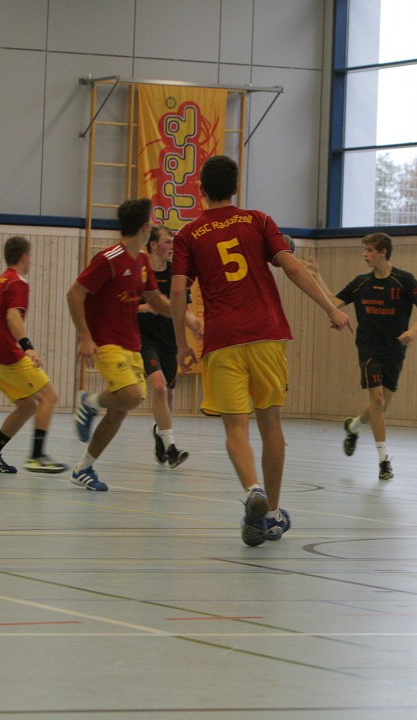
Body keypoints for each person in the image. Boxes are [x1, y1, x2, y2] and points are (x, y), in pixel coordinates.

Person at [169, 155, 350, 546]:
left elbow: (177, 291)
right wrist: (331, 308)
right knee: (272, 426)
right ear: (236, 187)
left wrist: (182, 344)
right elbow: (294, 268)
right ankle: (271, 514)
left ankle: (253, 489)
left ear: (201, 188)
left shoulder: (189, 234)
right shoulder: (257, 220)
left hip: (222, 341)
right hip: (267, 335)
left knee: (236, 427)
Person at [305, 234, 417, 481]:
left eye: (370, 250)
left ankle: (353, 426)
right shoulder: (361, 283)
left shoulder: (403, 280)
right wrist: (316, 276)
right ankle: (384, 461)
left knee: (380, 405)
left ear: (383, 252)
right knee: (377, 400)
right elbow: (333, 302)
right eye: (364, 250)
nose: (365, 254)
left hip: (395, 350)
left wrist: (414, 330)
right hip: (369, 349)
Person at [66, 198, 172, 491]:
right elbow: (75, 293)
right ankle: (89, 401)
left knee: (120, 411)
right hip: (106, 342)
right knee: (132, 396)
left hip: (131, 344)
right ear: (144, 227)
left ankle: (83, 468)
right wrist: (85, 336)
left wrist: (186, 317)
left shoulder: (141, 262)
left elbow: (155, 301)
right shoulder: (108, 259)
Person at [0, 236, 68, 475]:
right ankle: (37, 456)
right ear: (25, 257)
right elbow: (12, 316)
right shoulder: (18, 282)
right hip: (6, 352)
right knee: (49, 396)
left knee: (27, 405)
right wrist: (27, 346)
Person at [138, 225, 201, 468]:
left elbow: (183, 309)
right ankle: (172, 448)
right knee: (159, 387)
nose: (171, 247)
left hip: (169, 339)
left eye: (173, 242)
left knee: (169, 394)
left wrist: (194, 324)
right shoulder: (141, 272)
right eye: (166, 242)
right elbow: (120, 307)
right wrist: (143, 308)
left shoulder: (176, 274)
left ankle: (160, 434)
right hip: (144, 338)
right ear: (153, 245)